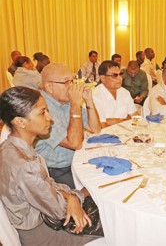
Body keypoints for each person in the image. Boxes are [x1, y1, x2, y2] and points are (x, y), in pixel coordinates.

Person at [0, 86, 100, 245]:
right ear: (20, 121)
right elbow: (60, 210)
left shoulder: (8, 147)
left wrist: (72, 196)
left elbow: (46, 184)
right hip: (43, 234)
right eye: (42, 113)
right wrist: (77, 196)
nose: (50, 118)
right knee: (112, 229)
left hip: (41, 220)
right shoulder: (25, 165)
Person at [35, 63, 101, 188]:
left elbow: (96, 129)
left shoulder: (64, 100)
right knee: (94, 189)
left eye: (73, 80)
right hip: (54, 171)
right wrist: (75, 106)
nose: (71, 86)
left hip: (76, 161)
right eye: (66, 82)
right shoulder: (41, 108)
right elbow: (74, 143)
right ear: (49, 87)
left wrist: (89, 101)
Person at [93, 61, 138, 128]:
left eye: (120, 74)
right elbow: (102, 126)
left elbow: (136, 117)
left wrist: (113, 121)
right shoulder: (95, 95)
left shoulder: (124, 92)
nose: (120, 78)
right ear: (102, 78)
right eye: (115, 75)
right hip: (106, 136)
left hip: (126, 133)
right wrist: (126, 119)